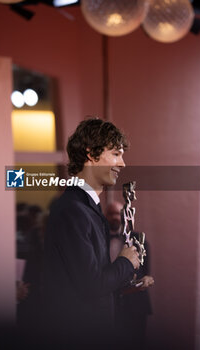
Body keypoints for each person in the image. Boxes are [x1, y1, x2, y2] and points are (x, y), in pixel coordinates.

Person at [43, 118, 140, 347]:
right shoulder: (73, 210)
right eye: (116, 154)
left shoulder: (87, 208)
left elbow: (89, 279)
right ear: (91, 154)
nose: (123, 164)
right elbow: (91, 285)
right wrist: (125, 262)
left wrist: (127, 280)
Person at [105, 201, 154, 349]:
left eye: (118, 213)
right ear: (105, 216)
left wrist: (146, 280)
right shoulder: (99, 239)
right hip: (109, 302)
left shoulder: (139, 239)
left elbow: (145, 272)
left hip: (135, 303)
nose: (115, 217)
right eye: (111, 213)